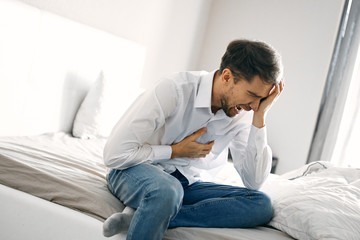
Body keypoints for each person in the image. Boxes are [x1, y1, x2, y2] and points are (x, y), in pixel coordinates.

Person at [102, 39, 284, 240]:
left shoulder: (246, 113)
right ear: (226, 77)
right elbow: (114, 155)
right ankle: (156, 210)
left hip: (185, 183)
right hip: (134, 169)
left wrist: (260, 118)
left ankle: (146, 216)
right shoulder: (174, 89)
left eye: (262, 99)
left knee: (261, 205)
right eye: (252, 95)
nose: (255, 105)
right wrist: (174, 151)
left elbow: (254, 182)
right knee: (168, 191)